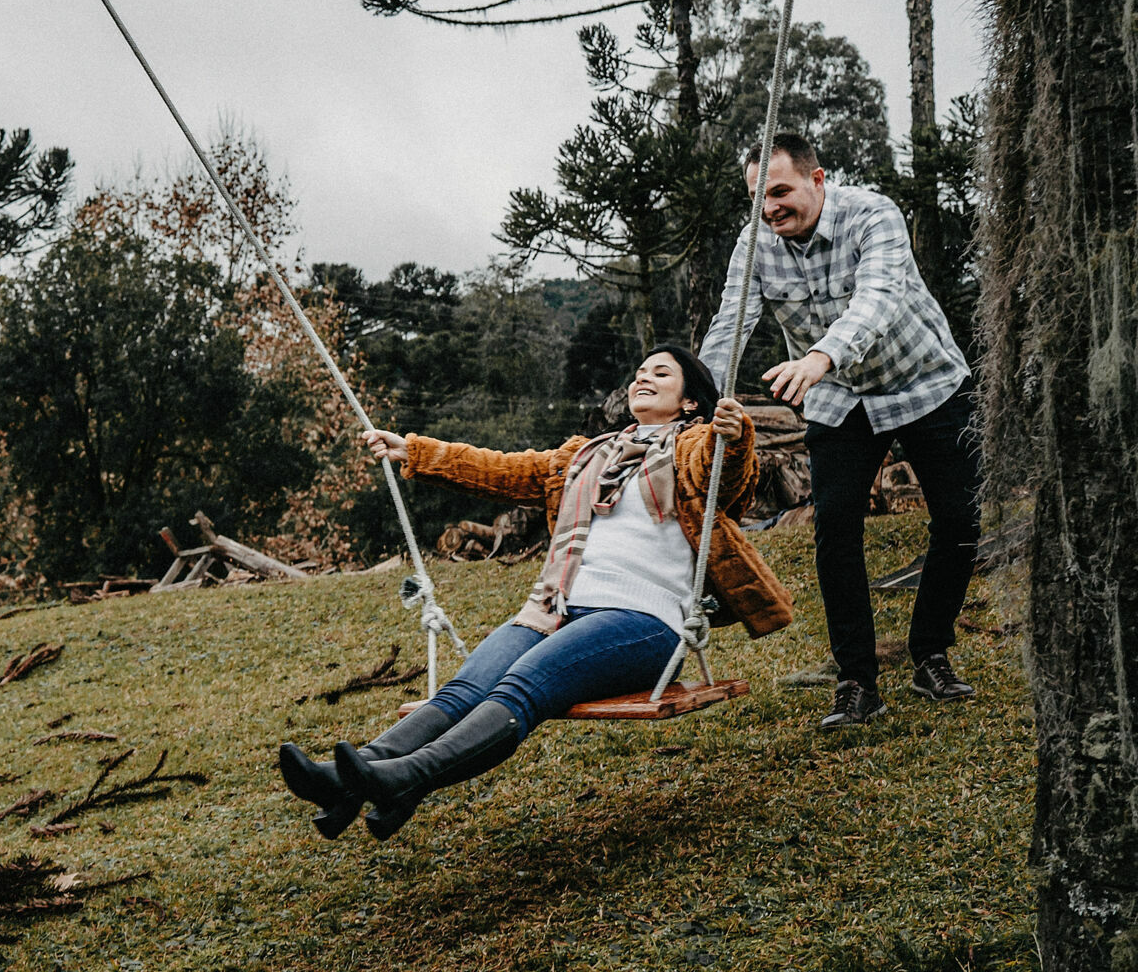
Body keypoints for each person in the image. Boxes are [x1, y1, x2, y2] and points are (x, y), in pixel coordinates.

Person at [278, 346, 791, 841]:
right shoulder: (585, 456)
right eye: (639, 371)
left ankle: (405, 776)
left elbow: (729, 476)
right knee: (462, 691)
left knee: (522, 682)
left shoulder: (696, 448)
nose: (643, 378)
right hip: (557, 608)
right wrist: (414, 451)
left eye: (661, 373)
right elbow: (501, 469)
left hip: (645, 621)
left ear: (690, 401)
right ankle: (356, 776)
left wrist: (737, 433)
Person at [699, 132, 980, 730]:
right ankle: (857, 681)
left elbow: (875, 300)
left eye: (780, 192)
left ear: (817, 179)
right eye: (757, 199)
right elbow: (731, 323)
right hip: (838, 396)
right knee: (836, 530)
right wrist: (700, 401)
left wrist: (819, 357)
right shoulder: (756, 244)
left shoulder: (874, 215)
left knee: (961, 519)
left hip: (924, 380)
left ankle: (930, 651)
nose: (769, 209)